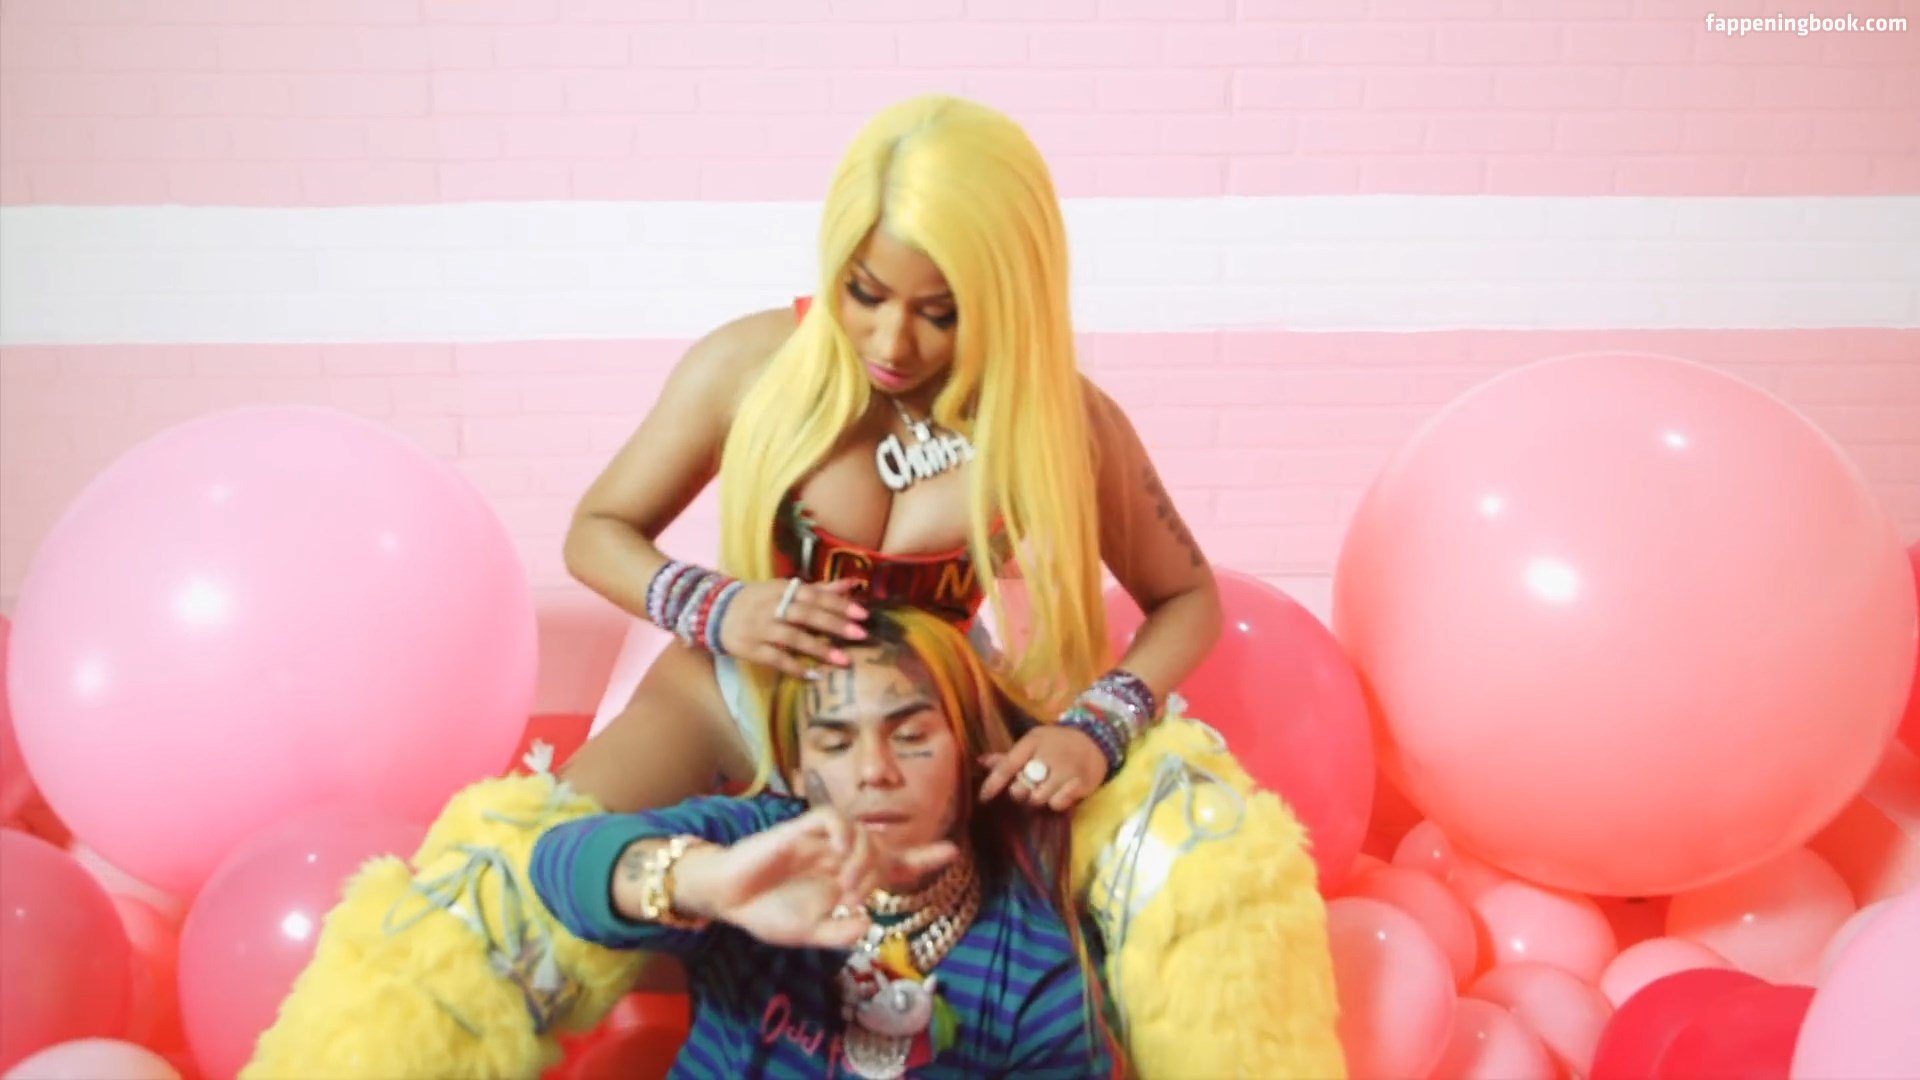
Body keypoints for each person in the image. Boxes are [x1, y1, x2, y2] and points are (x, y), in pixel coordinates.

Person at [560, 93, 1222, 818]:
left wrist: (1096, 728)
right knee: (525, 860)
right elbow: (596, 530)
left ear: (1010, 300)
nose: (891, 343)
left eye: (942, 314)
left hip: (938, 735)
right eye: (865, 294)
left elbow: (1188, 599)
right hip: (729, 706)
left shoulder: (1061, 422)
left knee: (1186, 856)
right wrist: (716, 606)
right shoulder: (748, 368)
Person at [529, 606, 1115, 1078]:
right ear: (795, 769)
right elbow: (556, 862)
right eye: (835, 744)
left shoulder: (1034, 966)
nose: (873, 771)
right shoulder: (760, 844)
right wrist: (707, 882)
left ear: (970, 753)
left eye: (911, 736)